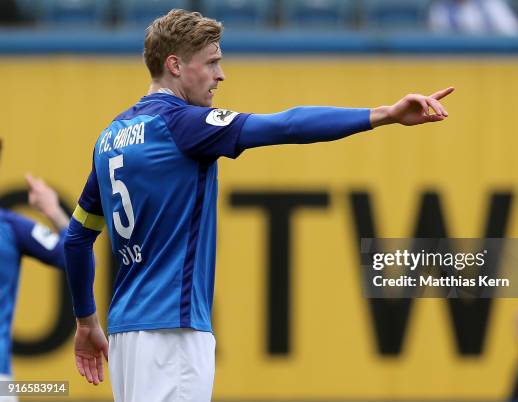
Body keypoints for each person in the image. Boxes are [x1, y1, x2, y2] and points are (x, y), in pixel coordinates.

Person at [63, 8, 455, 402]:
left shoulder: (110, 137)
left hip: (126, 336)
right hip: (173, 334)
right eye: (212, 62)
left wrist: (85, 321)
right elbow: (287, 125)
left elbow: (77, 239)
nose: (221, 75)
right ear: (175, 65)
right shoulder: (184, 125)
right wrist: (383, 114)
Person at [0, 140, 69, 402]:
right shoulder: (11, 226)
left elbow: (75, 257)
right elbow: (77, 257)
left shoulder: (12, 227)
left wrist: (52, 210)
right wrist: (53, 210)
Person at [429, 0, 518, 36]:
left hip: (490, 65)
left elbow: (514, 34)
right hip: (454, 65)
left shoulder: (492, 5)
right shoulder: (440, 9)